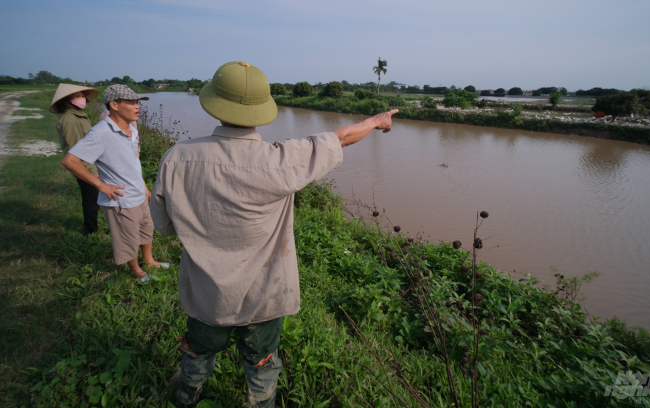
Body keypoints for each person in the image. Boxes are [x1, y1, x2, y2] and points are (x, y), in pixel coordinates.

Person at [150, 61, 397, 406]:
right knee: (261, 359)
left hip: (206, 293)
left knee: (198, 350)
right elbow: (339, 139)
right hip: (262, 297)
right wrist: (376, 121)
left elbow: (163, 226)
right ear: (262, 110)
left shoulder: (177, 158)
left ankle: (186, 394)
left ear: (214, 104)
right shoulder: (281, 160)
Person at [61, 84, 168, 281]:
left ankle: (150, 260)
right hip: (120, 200)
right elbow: (70, 161)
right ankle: (136, 271)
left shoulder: (132, 130)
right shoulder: (101, 133)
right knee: (127, 238)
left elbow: (133, 162)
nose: (137, 107)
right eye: (131, 103)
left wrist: (144, 187)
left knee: (146, 228)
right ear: (114, 105)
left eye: (138, 103)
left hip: (138, 194)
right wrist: (101, 185)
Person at [50, 83, 100, 235]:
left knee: (95, 200)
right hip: (85, 168)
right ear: (66, 101)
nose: (82, 98)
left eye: (82, 95)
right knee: (91, 202)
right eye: (77, 96)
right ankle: (90, 233)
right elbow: (77, 151)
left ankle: (93, 229)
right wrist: (92, 172)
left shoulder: (79, 116)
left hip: (91, 165)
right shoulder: (70, 120)